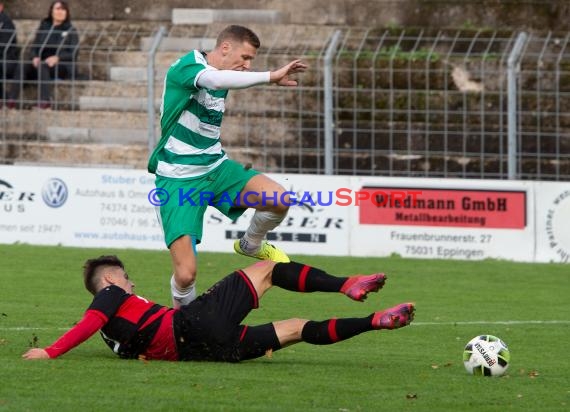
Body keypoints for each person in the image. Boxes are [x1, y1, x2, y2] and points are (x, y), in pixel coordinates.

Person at [148, 25, 308, 309]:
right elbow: (216, 80)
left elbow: (225, 79)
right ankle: (182, 327)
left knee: (279, 200)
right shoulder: (186, 68)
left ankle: (251, 244)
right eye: (244, 58)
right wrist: (270, 77)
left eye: (251, 61)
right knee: (186, 275)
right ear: (225, 48)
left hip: (216, 168)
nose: (247, 66)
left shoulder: (226, 73)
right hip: (178, 179)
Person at [22, 255, 415, 362]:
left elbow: (126, 340)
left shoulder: (116, 337)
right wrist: (50, 351)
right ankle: (346, 284)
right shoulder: (109, 297)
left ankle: (375, 322)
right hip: (190, 326)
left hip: (205, 352)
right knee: (268, 269)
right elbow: (90, 321)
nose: (132, 284)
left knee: (296, 327)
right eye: (126, 278)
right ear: (109, 282)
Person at [7, 1, 78, 109]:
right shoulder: (44, 27)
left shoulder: (71, 30)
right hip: (41, 63)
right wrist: (35, 57)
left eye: (63, 9)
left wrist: (57, 58)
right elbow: (34, 47)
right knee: (23, 65)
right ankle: (11, 100)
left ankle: (45, 101)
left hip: (60, 65)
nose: (60, 12)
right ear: (51, 12)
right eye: (57, 9)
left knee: (43, 66)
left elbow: (73, 53)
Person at [0, 1, 19, 104]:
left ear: (1, 7)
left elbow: (4, 46)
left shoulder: (6, 22)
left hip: (7, 61)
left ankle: (3, 97)